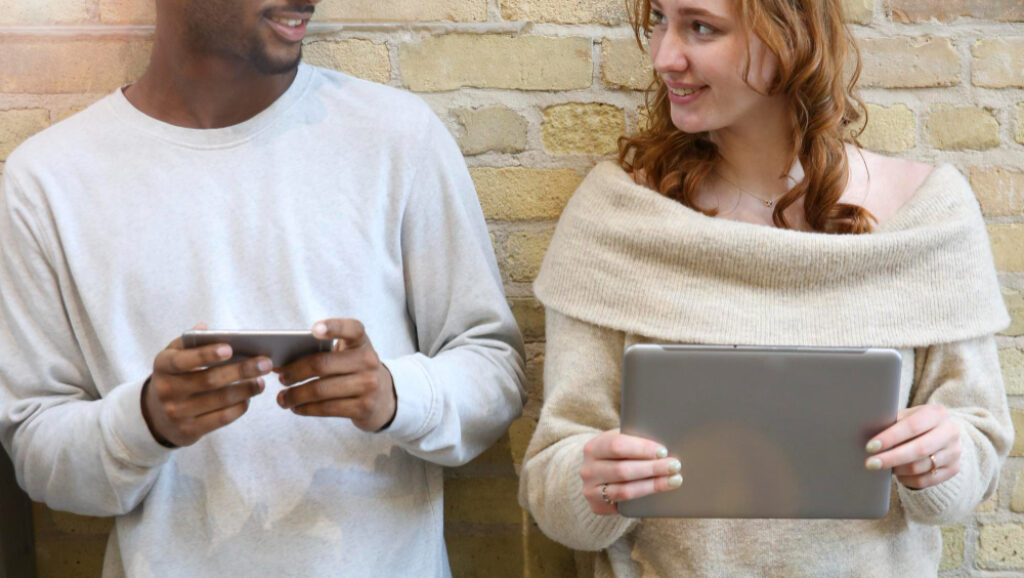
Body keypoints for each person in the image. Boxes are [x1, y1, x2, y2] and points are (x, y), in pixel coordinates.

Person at [0, 0, 526, 576]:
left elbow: (494, 370)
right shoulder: (47, 182)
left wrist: (396, 395)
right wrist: (145, 421)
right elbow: (34, 447)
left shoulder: (395, 137)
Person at [518, 0, 1012, 575]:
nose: (662, 56)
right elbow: (554, 488)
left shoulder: (927, 217)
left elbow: (976, 456)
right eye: (658, 19)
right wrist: (593, 484)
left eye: (700, 27)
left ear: (789, 36)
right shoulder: (618, 218)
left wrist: (944, 459)